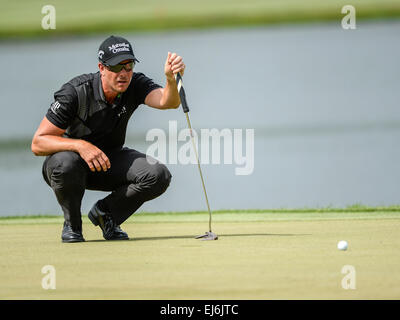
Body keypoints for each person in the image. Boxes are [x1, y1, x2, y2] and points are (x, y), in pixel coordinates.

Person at [31, 35, 186, 243]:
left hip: (108, 162)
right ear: (102, 67)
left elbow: (168, 102)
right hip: (70, 167)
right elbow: (38, 142)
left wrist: (170, 79)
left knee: (157, 175)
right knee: (66, 163)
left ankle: (107, 215)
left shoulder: (135, 83)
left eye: (128, 65)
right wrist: (80, 146)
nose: (123, 74)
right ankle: (72, 226)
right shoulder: (75, 92)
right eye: (116, 67)